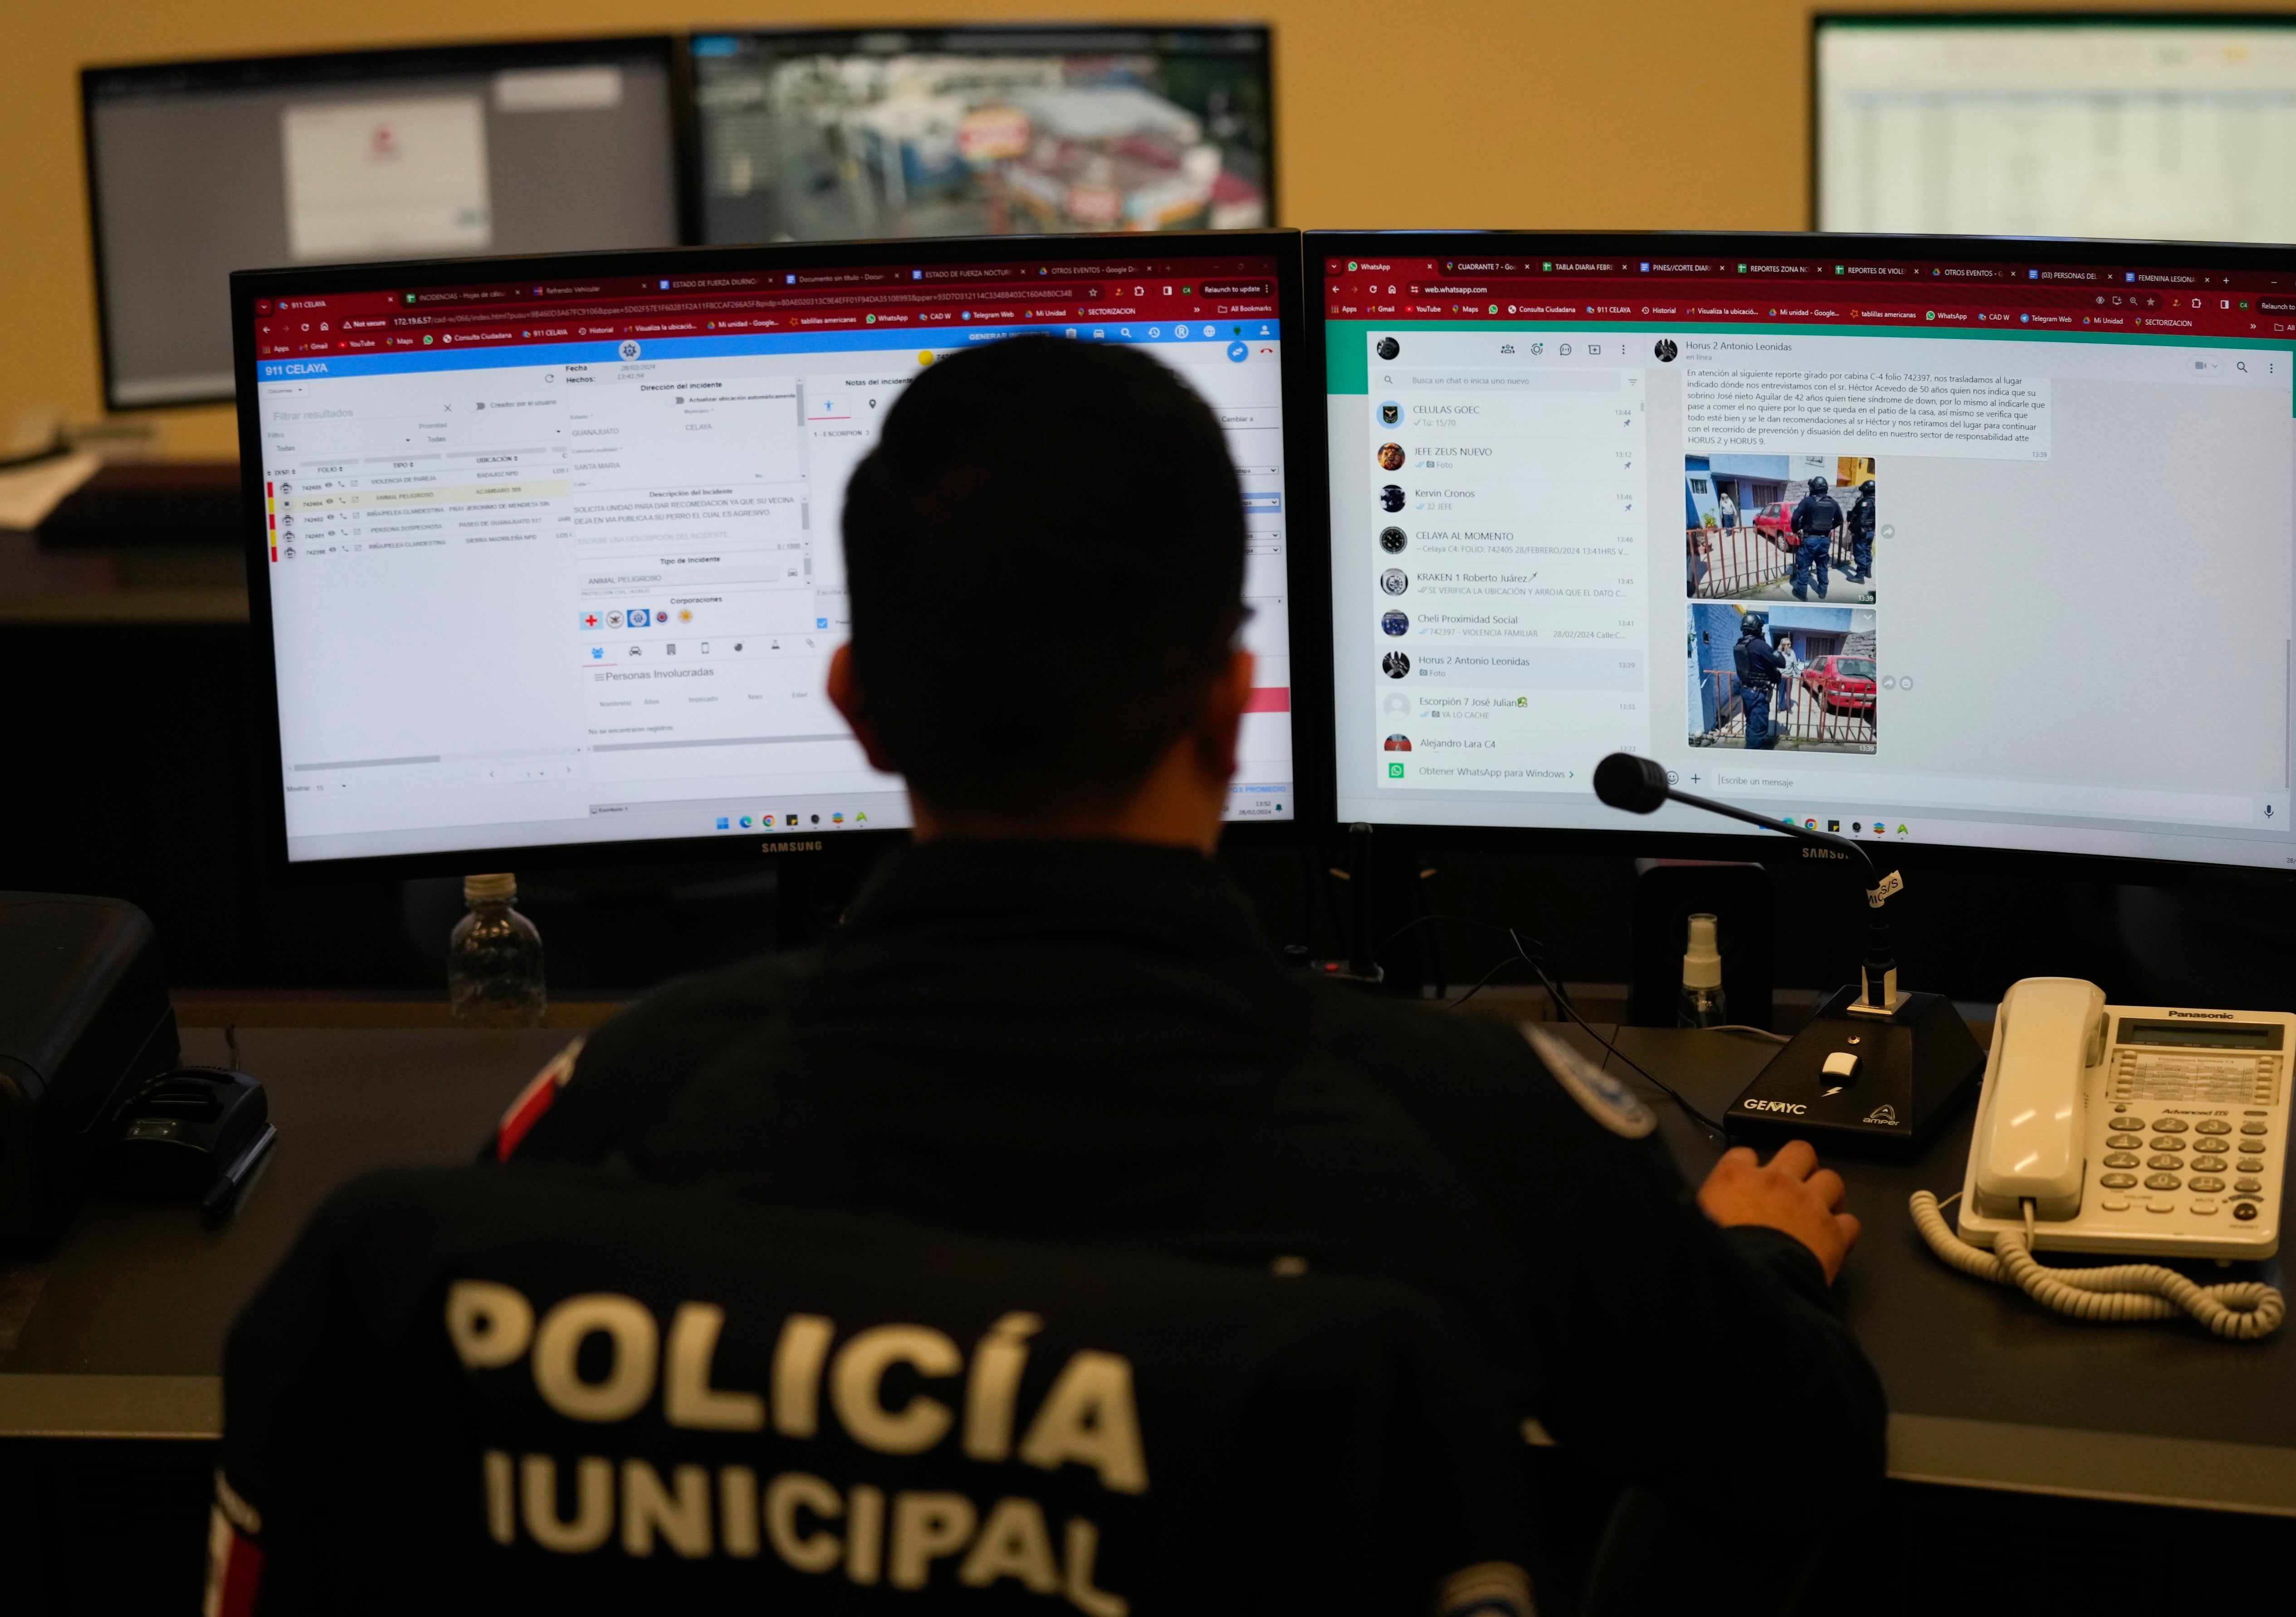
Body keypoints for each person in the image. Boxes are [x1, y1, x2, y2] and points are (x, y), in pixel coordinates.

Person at [490, 337, 1883, 1602]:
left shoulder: (618, 1109)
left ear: (857, 710)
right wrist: (1754, 1260)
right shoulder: (1497, 1133)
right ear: (1231, 706)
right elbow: (1798, 1455)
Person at [1732, 610, 1786, 749]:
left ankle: (1750, 747)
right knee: (1758, 728)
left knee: (1751, 723)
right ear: (1757, 628)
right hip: (1758, 695)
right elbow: (1781, 662)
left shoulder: (1740, 644)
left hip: (1746, 691)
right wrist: (1777, 650)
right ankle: (1753, 756)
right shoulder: (1759, 645)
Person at [1788, 475, 1840, 601]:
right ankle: (1823, 591)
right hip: (1825, 541)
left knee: (1804, 566)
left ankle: (1802, 592)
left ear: (1813, 488)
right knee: (1822, 566)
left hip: (1810, 540)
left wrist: (1796, 530)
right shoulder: (1833, 503)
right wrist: (1827, 529)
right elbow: (1840, 520)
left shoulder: (1807, 501)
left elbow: (1795, 518)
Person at [1846, 478, 1876, 583]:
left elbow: (1862, 519)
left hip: (1862, 532)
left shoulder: (1866, 503)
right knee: (1868, 551)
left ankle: (1860, 576)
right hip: (1870, 532)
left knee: (1860, 554)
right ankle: (1867, 572)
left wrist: (1853, 528)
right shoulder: (1875, 501)